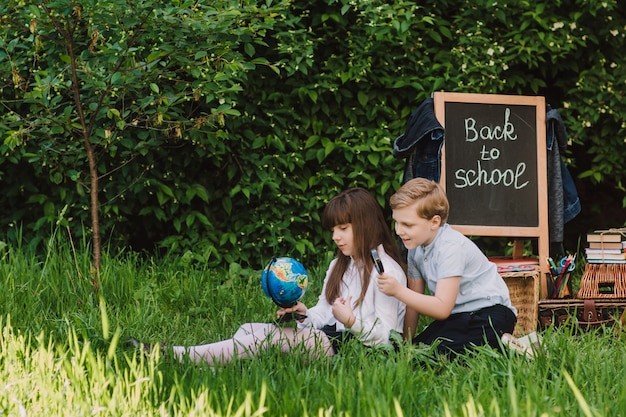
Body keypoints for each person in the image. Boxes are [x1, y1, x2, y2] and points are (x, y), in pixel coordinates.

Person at [130, 187, 407, 366]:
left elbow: (389, 339)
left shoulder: (386, 272)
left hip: (355, 351)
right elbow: (323, 314)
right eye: (333, 229)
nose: (335, 236)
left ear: (365, 224)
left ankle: (175, 355)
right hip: (331, 337)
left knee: (269, 340)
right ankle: (214, 363)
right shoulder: (340, 264)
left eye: (343, 228)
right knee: (250, 330)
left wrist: (350, 320)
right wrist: (302, 314)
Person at [377, 178, 517, 356]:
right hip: (458, 318)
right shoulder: (415, 248)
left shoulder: (450, 247)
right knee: (418, 349)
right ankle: (494, 345)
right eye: (397, 222)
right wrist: (406, 342)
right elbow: (414, 300)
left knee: (435, 355)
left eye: (407, 225)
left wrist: (397, 291)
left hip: (489, 314)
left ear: (434, 222)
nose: (398, 230)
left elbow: (442, 309)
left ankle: (509, 348)